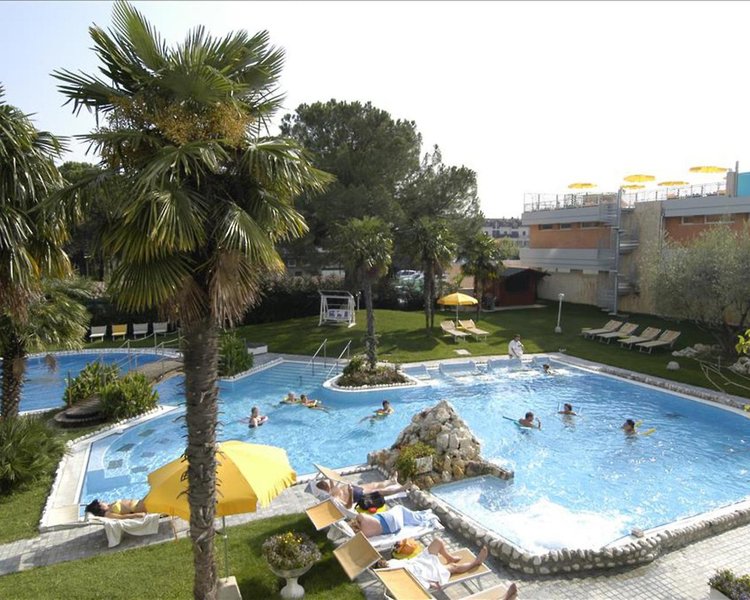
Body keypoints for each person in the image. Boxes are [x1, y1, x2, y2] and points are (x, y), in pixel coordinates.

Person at [377, 538, 516, 595]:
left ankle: (449, 558)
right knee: (453, 568)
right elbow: (423, 585)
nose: (383, 560)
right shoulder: (396, 574)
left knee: (437, 541)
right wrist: (432, 584)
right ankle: (475, 563)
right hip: (426, 572)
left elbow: (408, 561)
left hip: (420, 562)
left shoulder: (390, 565)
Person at [316, 473, 407, 509]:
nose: (328, 483)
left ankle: (392, 481)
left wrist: (328, 476)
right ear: (324, 489)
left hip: (355, 488)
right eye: (326, 484)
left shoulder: (331, 489)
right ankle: (400, 489)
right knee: (379, 491)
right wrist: (351, 493)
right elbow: (348, 506)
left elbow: (331, 479)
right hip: (357, 495)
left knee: (375, 484)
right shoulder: (334, 498)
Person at [348, 505, 438, 537]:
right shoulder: (362, 518)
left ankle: (420, 516)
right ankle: (426, 517)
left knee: (405, 516)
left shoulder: (363, 534)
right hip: (391, 519)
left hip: (392, 529)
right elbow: (358, 516)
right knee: (399, 508)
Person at [85, 498, 149, 520]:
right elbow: (121, 517)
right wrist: (137, 515)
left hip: (139, 502)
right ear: (100, 507)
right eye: (100, 503)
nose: (102, 501)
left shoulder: (109, 506)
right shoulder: (107, 514)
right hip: (138, 507)